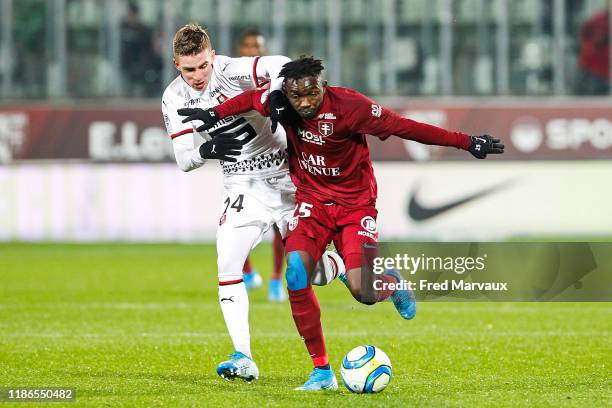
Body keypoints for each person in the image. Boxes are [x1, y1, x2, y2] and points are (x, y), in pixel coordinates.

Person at [177, 56, 505, 391]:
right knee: (297, 273)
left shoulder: (352, 107)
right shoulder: (282, 103)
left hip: (355, 207)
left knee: (363, 292)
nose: (304, 102)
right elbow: (251, 98)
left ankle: (390, 282)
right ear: (287, 92)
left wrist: (467, 142)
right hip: (311, 204)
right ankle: (322, 372)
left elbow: (406, 127)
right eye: (296, 96)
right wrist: (214, 114)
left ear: (322, 85)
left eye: (311, 94)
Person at [162, 27, 342, 383]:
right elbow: (183, 159)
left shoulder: (233, 71)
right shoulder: (173, 97)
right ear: (176, 65)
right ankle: (243, 357)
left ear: (212, 56)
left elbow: (285, 65)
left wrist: (276, 93)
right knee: (227, 262)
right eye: (188, 70)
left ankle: (351, 263)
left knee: (313, 274)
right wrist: (204, 151)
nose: (197, 77)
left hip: (288, 179)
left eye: (202, 66)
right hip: (242, 187)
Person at [235, 28, 286, 302]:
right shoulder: (230, 80)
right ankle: (247, 272)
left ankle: (276, 279)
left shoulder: (274, 80)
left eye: (257, 45)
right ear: (239, 49)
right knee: (236, 216)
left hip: (276, 158)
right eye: (247, 44)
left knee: (281, 223)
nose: (252, 49)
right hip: (243, 160)